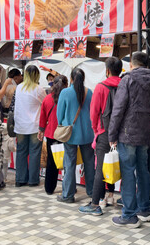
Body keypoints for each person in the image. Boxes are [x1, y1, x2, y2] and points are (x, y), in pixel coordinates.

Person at [108, 51, 150, 228]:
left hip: (128, 132)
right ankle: (144, 210)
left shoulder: (127, 80)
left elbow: (118, 109)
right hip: (145, 132)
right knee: (143, 171)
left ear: (131, 63)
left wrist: (112, 134)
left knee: (128, 172)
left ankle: (129, 215)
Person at [78, 57, 122, 216]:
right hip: (122, 133)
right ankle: (116, 198)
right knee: (123, 166)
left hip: (105, 133)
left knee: (100, 169)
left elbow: (94, 113)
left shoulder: (101, 87)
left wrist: (97, 131)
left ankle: (95, 204)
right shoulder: (124, 85)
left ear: (107, 70)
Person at [56, 68, 95, 203]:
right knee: (89, 163)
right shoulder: (89, 92)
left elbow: (59, 114)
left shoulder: (65, 92)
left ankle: (68, 195)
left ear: (71, 79)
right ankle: (92, 192)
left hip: (70, 134)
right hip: (88, 134)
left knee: (70, 163)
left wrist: (62, 123)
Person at [13, 66, 47, 187]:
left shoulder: (19, 88)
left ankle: (20, 179)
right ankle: (33, 180)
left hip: (20, 125)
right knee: (35, 152)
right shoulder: (39, 89)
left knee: (21, 151)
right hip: (34, 126)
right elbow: (46, 103)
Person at [38, 75, 68, 195]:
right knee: (67, 162)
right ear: (66, 85)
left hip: (51, 134)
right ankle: (68, 188)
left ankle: (49, 188)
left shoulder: (47, 99)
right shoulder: (68, 98)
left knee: (51, 162)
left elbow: (43, 117)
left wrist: (41, 130)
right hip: (65, 133)